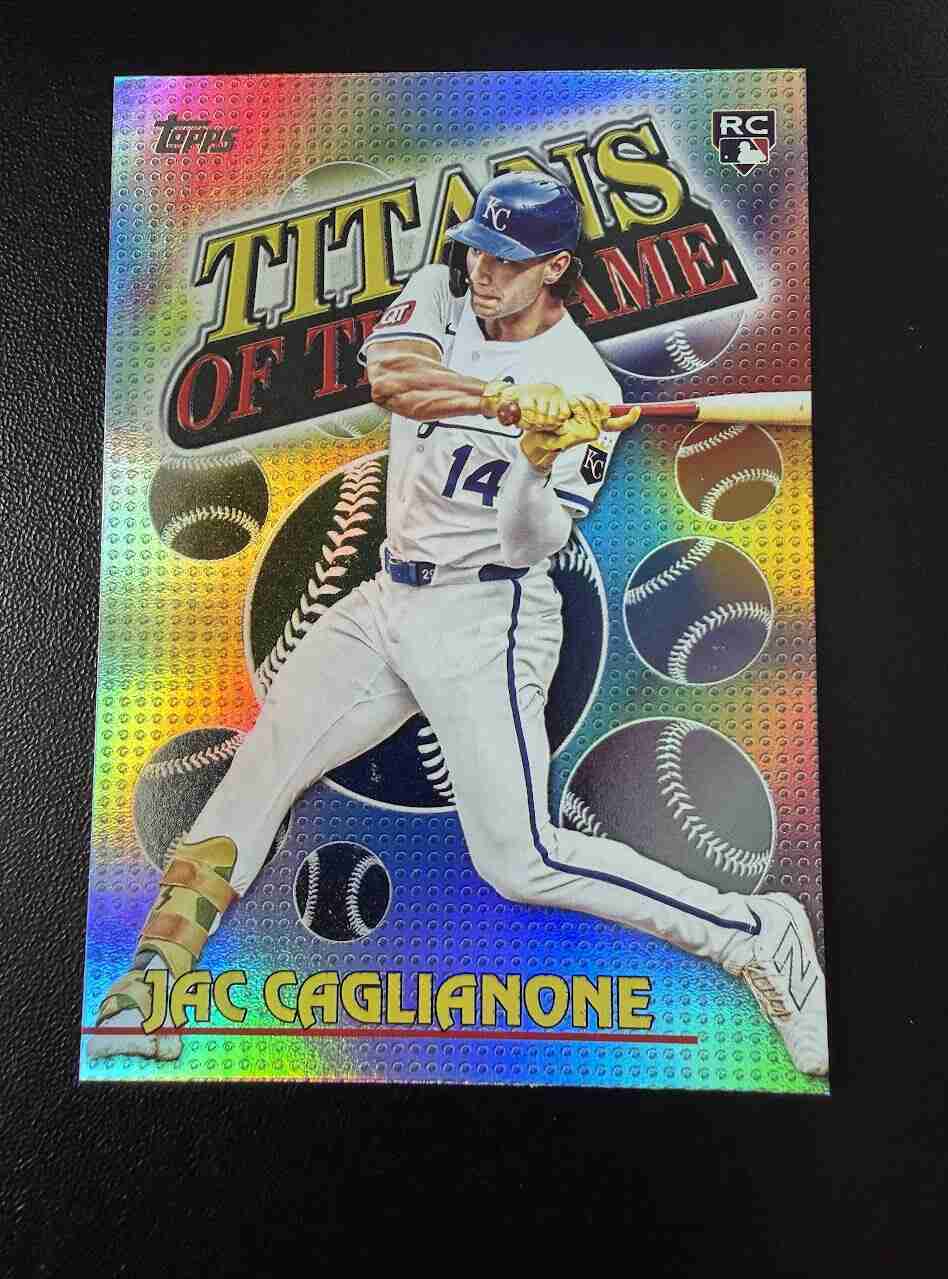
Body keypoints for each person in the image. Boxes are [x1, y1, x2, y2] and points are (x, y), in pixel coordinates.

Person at [90, 172, 827, 1075]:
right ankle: (150, 982)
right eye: (480, 247)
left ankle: (752, 933)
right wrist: (499, 402)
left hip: (490, 616)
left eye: (509, 260)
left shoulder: (582, 385)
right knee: (261, 763)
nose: (484, 270)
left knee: (520, 861)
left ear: (553, 267)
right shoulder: (443, 291)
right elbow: (393, 378)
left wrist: (536, 461)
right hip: (384, 599)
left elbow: (531, 541)